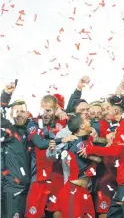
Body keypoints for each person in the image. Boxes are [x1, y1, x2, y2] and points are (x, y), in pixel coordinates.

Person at [79, 106, 124, 218]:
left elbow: (115, 151)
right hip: (123, 179)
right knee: (113, 214)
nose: (104, 112)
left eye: (107, 108)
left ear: (115, 110)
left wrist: (91, 149)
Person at [25, 95, 77, 218]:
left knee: (58, 213)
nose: (45, 114)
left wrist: (65, 113)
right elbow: (40, 144)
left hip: (58, 177)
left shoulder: (62, 122)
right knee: (33, 215)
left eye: (49, 110)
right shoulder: (33, 123)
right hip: (39, 178)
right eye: (43, 110)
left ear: (55, 110)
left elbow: (79, 119)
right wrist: (63, 139)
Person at [48, 113, 102, 218]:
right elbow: (98, 159)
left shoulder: (87, 140)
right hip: (74, 190)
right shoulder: (78, 144)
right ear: (82, 126)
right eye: (86, 120)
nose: (89, 121)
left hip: (84, 190)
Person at [1, 83, 31, 218]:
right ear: (11, 114)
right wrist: (6, 95)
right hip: (13, 189)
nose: (19, 114)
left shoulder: (34, 130)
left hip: (32, 189)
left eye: (22, 111)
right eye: (16, 111)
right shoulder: (9, 131)